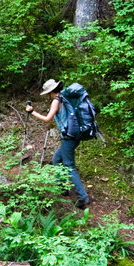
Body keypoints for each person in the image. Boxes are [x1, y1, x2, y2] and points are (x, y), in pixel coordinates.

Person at [25, 79, 91, 209]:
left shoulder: (56, 100)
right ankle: (63, 188)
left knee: (69, 166)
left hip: (69, 137)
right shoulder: (64, 98)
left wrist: (32, 112)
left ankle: (83, 198)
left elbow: (47, 118)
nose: (47, 96)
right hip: (73, 136)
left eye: (47, 93)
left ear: (51, 92)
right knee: (56, 159)